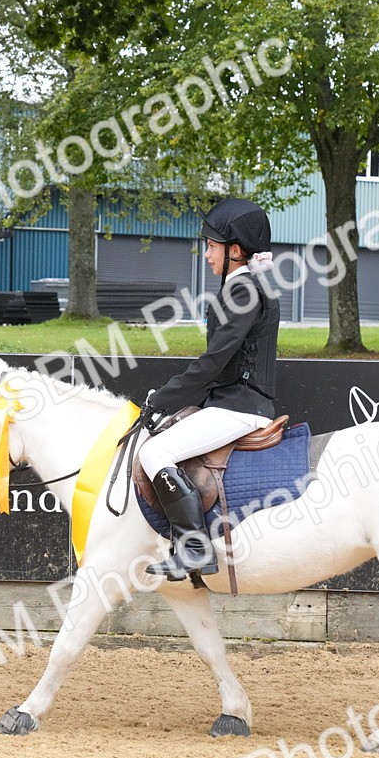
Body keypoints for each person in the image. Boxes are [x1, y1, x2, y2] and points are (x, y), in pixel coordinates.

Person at [139, 197, 280, 580]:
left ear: (235, 250)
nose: (206, 255)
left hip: (240, 405)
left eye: (212, 246)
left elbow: (214, 361)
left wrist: (162, 399)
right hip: (230, 401)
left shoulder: (244, 290)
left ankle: (194, 547)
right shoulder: (245, 286)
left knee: (155, 452)